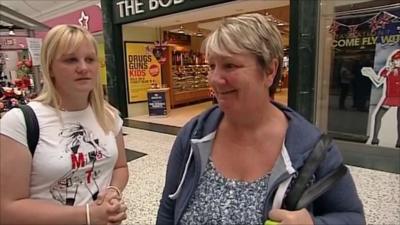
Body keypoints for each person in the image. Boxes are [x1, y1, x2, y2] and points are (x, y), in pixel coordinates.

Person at [156, 13, 365, 225]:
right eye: (212, 66)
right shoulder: (194, 135)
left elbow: (353, 218)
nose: (215, 79)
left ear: (270, 71)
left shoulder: (314, 150)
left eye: (230, 66)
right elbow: (168, 208)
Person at [0, 24, 129, 225]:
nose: (83, 68)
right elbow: (7, 209)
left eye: (90, 59)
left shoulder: (109, 116)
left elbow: (120, 167)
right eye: (70, 60)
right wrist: (88, 215)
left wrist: (113, 191)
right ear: (50, 68)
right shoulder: (20, 122)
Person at [361, 49, 400, 148]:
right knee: (378, 116)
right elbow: (378, 82)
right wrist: (370, 74)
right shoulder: (387, 70)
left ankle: (399, 141)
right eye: (395, 60)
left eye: (398, 60)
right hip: (390, 97)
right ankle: (375, 139)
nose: (396, 62)